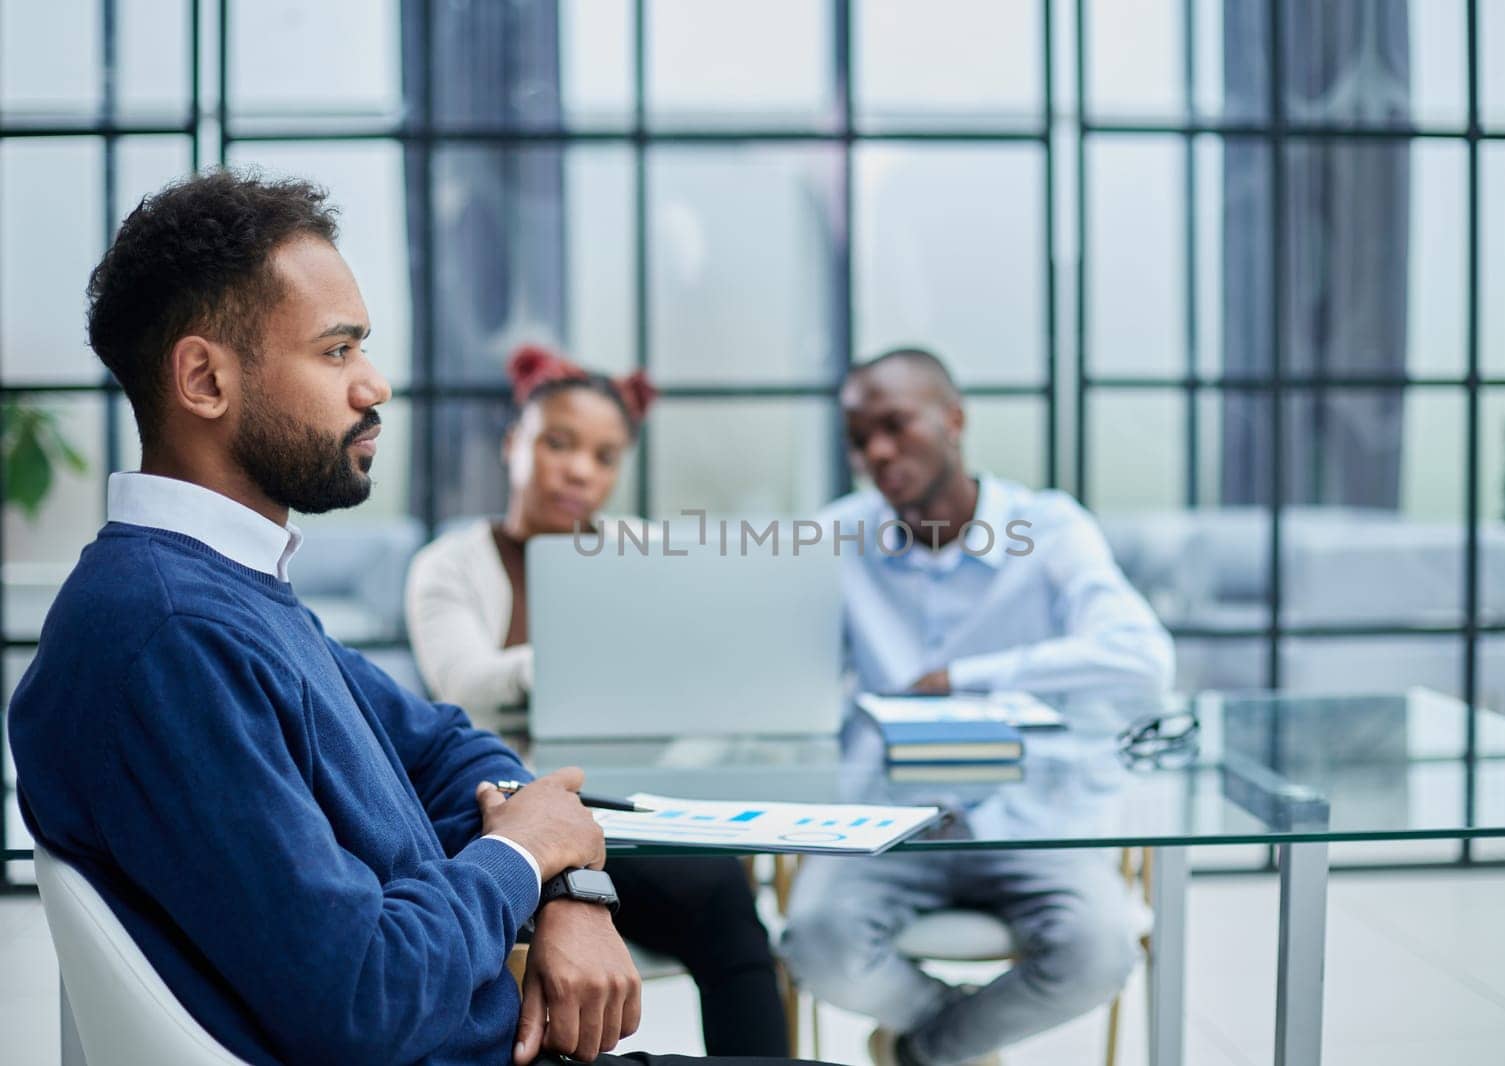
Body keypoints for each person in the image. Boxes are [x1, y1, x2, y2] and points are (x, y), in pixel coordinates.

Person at [8, 168, 822, 1066]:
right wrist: (518, 863)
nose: (375, 385)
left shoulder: (228, 596)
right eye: (336, 352)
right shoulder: (168, 639)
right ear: (204, 379)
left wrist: (569, 888)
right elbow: (363, 996)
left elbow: (446, 747)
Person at [779, 348, 1175, 1066]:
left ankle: (921, 1051)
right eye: (861, 438)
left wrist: (968, 679)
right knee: (817, 942)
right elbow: (783, 678)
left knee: (1099, 949)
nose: (878, 452)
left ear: (954, 420)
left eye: (896, 425)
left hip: (1033, 817)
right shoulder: (837, 535)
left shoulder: (1049, 530)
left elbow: (1142, 661)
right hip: (888, 818)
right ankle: (952, 1043)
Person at [405, 345, 791, 1058]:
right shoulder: (449, 565)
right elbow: (466, 683)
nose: (582, 470)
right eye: (559, 444)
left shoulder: (640, 552)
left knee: (728, 907)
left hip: (630, 805)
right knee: (715, 893)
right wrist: (595, 661)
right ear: (513, 443)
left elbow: (702, 683)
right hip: (508, 809)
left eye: (605, 456)